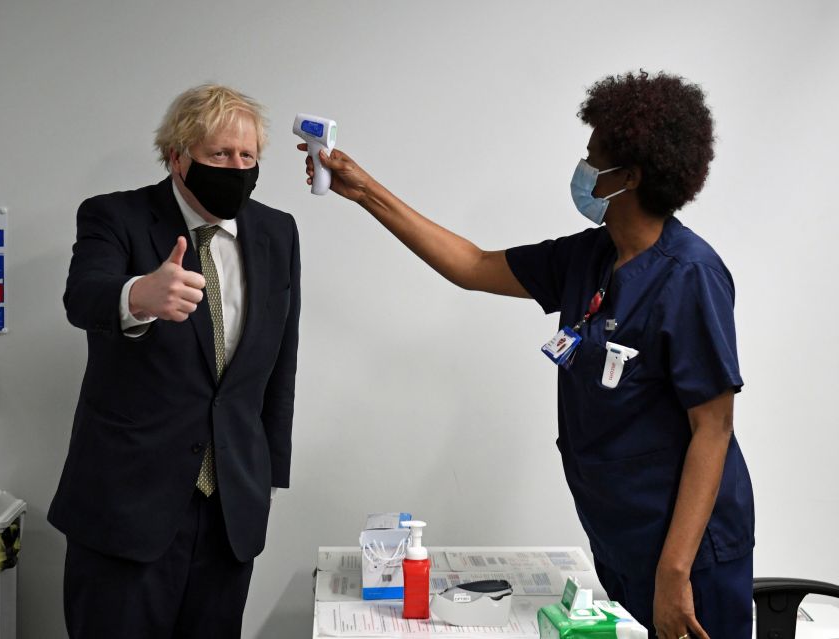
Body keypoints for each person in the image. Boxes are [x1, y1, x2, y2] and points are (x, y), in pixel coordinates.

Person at [300, 71, 753, 639]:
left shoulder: (690, 277)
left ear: (630, 176)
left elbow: (713, 429)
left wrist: (674, 570)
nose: (582, 169)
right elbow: (471, 266)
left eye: (593, 158)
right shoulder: (591, 256)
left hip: (689, 555)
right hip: (620, 535)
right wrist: (364, 190)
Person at [49, 83, 301, 639]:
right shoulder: (115, 215)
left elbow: (281, 364)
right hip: (125, 507)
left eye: (248, 156)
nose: (236, 167)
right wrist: (138, 294)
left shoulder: (276, 232)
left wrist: (267, 474)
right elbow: (82, 296)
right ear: (177, 156)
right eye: (219, 154)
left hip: (229, 509)